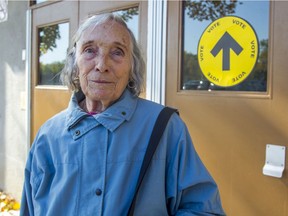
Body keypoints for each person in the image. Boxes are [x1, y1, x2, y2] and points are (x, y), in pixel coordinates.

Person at [20, 13, 225, 216]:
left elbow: (204, 211)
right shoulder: (47, 135)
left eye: (117, 52)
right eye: (89, 50)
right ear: (75, 63)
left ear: (132, 66)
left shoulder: (165, 128)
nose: (102, 65)